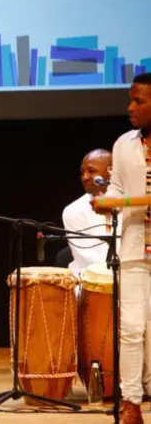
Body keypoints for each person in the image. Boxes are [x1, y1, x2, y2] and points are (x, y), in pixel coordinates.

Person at [93, 72, 151, 424]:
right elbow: (117, 188)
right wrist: (105, 200)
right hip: (134, 248)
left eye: (139, 101)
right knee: (130, 327)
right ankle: (131, 402)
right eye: (130, 100)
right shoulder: (123, 143)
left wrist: (126, 200)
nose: (130, 107)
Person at [61, 148, 121, 281]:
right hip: (91, 282)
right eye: (82, 173)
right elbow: (88, 259)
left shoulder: (130, 204)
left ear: (111, 172)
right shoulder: (73, 211)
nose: (85, 177)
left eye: (91, 171)